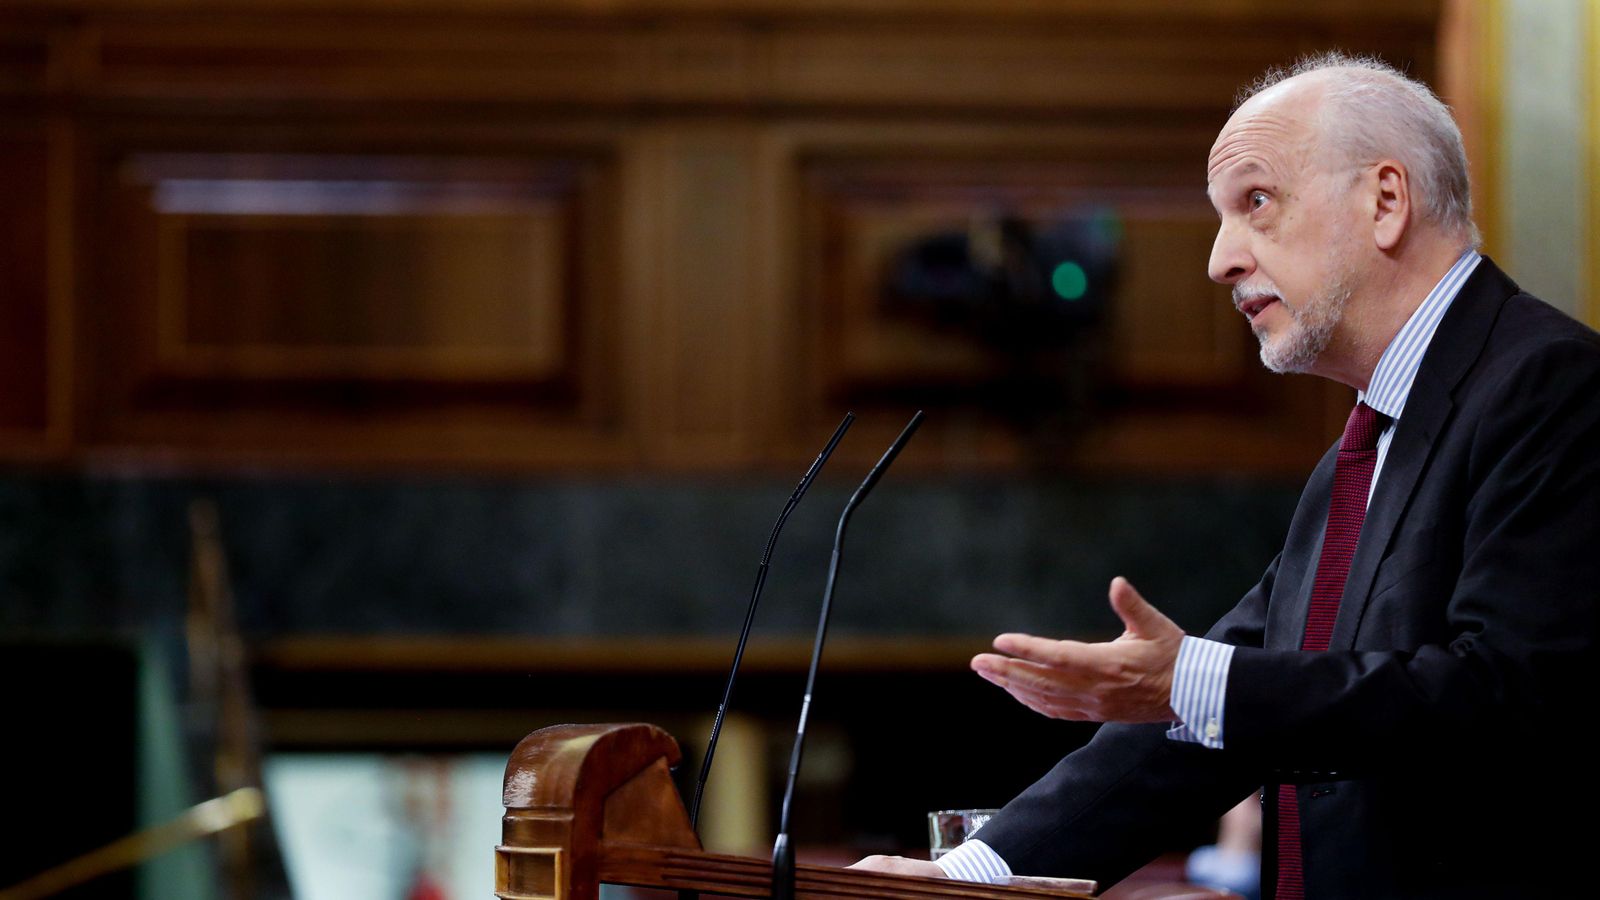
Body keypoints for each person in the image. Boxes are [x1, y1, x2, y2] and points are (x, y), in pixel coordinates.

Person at [852, 51, 1600, 898]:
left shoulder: (1555, 386)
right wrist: (969, 878)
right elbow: (1216, 716)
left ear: (1386, 201)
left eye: (1256, 203)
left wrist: (1192, 683)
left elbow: (1509, 697)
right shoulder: (1358, 454)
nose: (1219, 260)